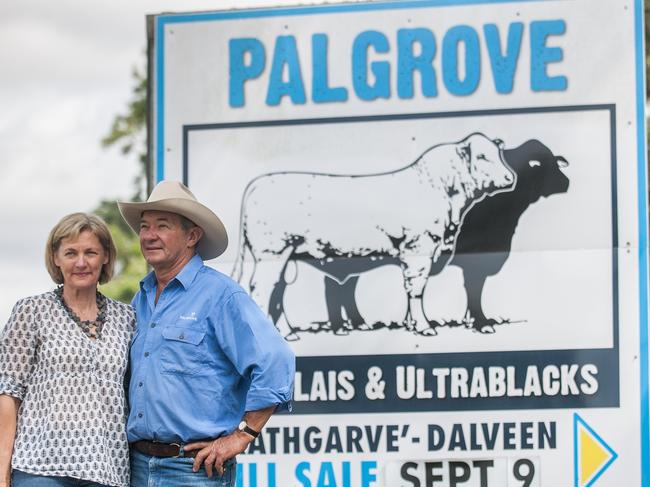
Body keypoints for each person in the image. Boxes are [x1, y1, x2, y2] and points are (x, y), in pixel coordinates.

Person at [117, 180, 295, 486]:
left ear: (192, 236)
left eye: (162, 226)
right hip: (136, 466)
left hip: (194, 471)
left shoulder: (221, 295)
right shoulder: (141, 299)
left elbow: (276, 361)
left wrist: (243, 435)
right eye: (145, 226)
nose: (149, 235)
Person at [0, 213, 135, 487]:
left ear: (106, 257)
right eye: (71, 253)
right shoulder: (31, 311)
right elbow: (9, 395)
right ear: (56, 258)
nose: (81, 262)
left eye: (91, 252)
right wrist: (2, 472)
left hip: (107, 468)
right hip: (40, 468)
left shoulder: (127, 318)